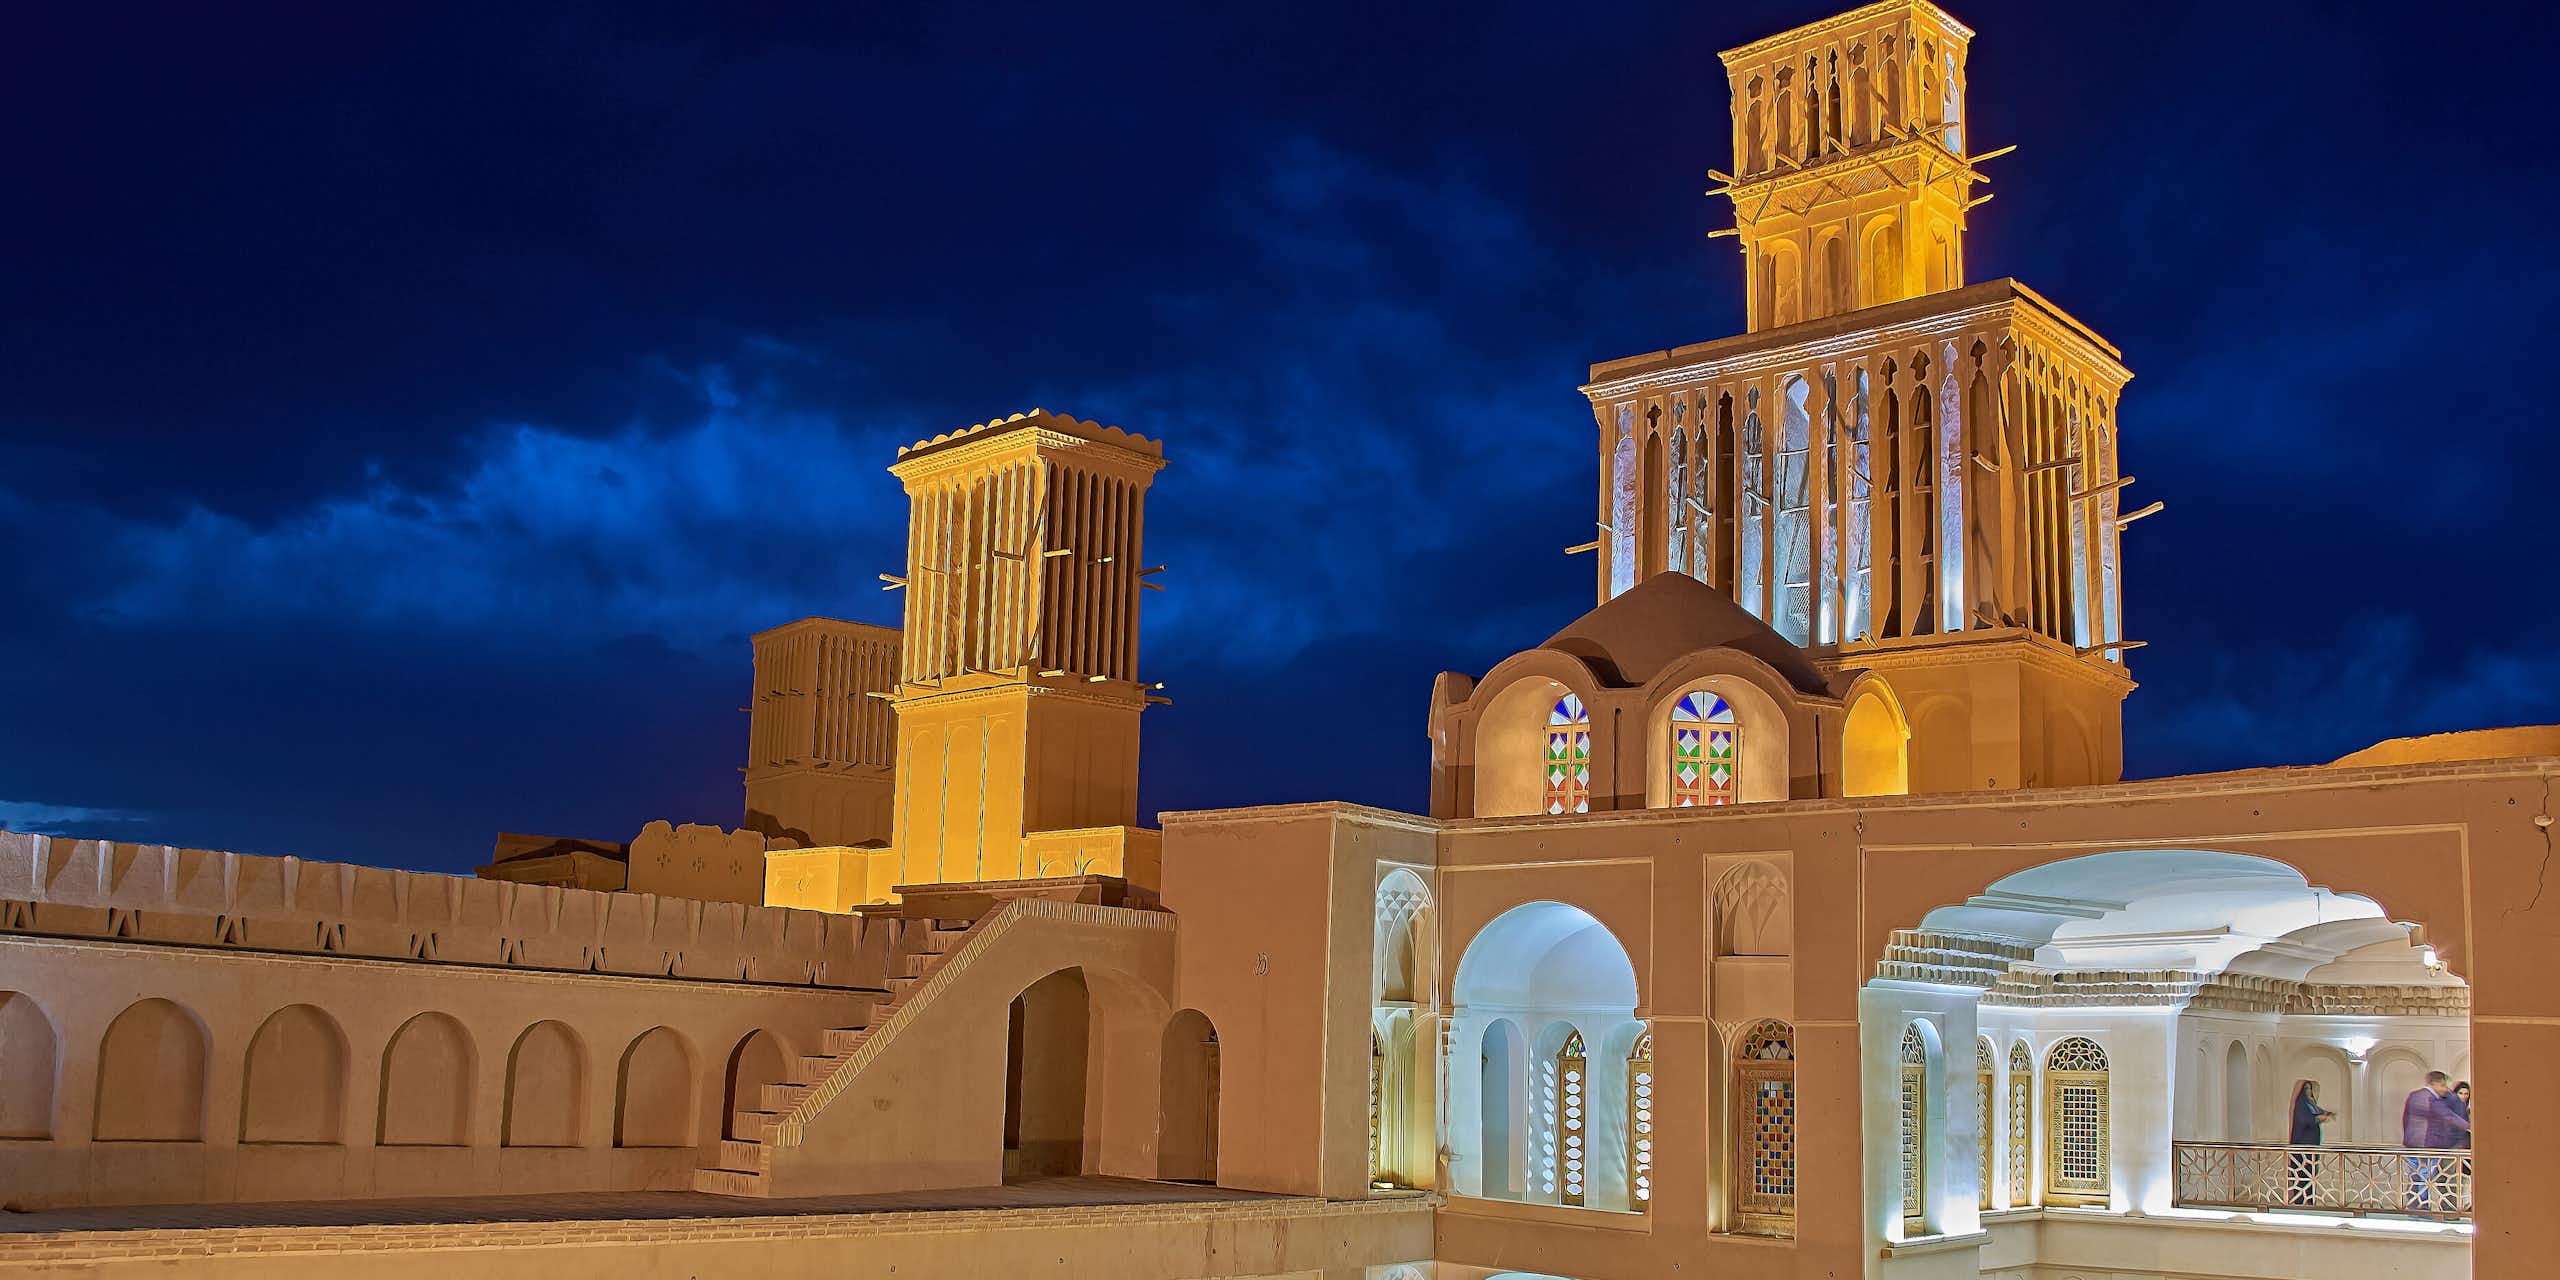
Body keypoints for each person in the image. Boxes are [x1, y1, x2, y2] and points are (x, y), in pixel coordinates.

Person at [2401, 1071, 2471, 1212]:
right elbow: (2448, 1116)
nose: (2445, 1089)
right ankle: (2420, 1207)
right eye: (2443, 1085)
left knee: (2416, 1177)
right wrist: (2471, 1128)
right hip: (2426, 1146)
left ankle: (2416, 1206)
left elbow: (2405, 1120)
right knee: (2424, 1177)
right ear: (2434, 1083)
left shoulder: (2414, 1095)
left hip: (2412, 1144)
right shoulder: (2430, 1099)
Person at [2287, 1079, 2336, 1205]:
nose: (2309, 1091)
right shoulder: (2300, 1105)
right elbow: (2304, 1120)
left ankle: (2310, 1198)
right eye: (2306, 1089)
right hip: (2303, 1145)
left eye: (2310, 1088)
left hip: (2312, 1145)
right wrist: (2318, 1119)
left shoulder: (2311, 1104)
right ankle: (2300, 1199)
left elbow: (2318, 1111)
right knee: (2302, 1173)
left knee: (2311, 1172)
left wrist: (2326, 1114)